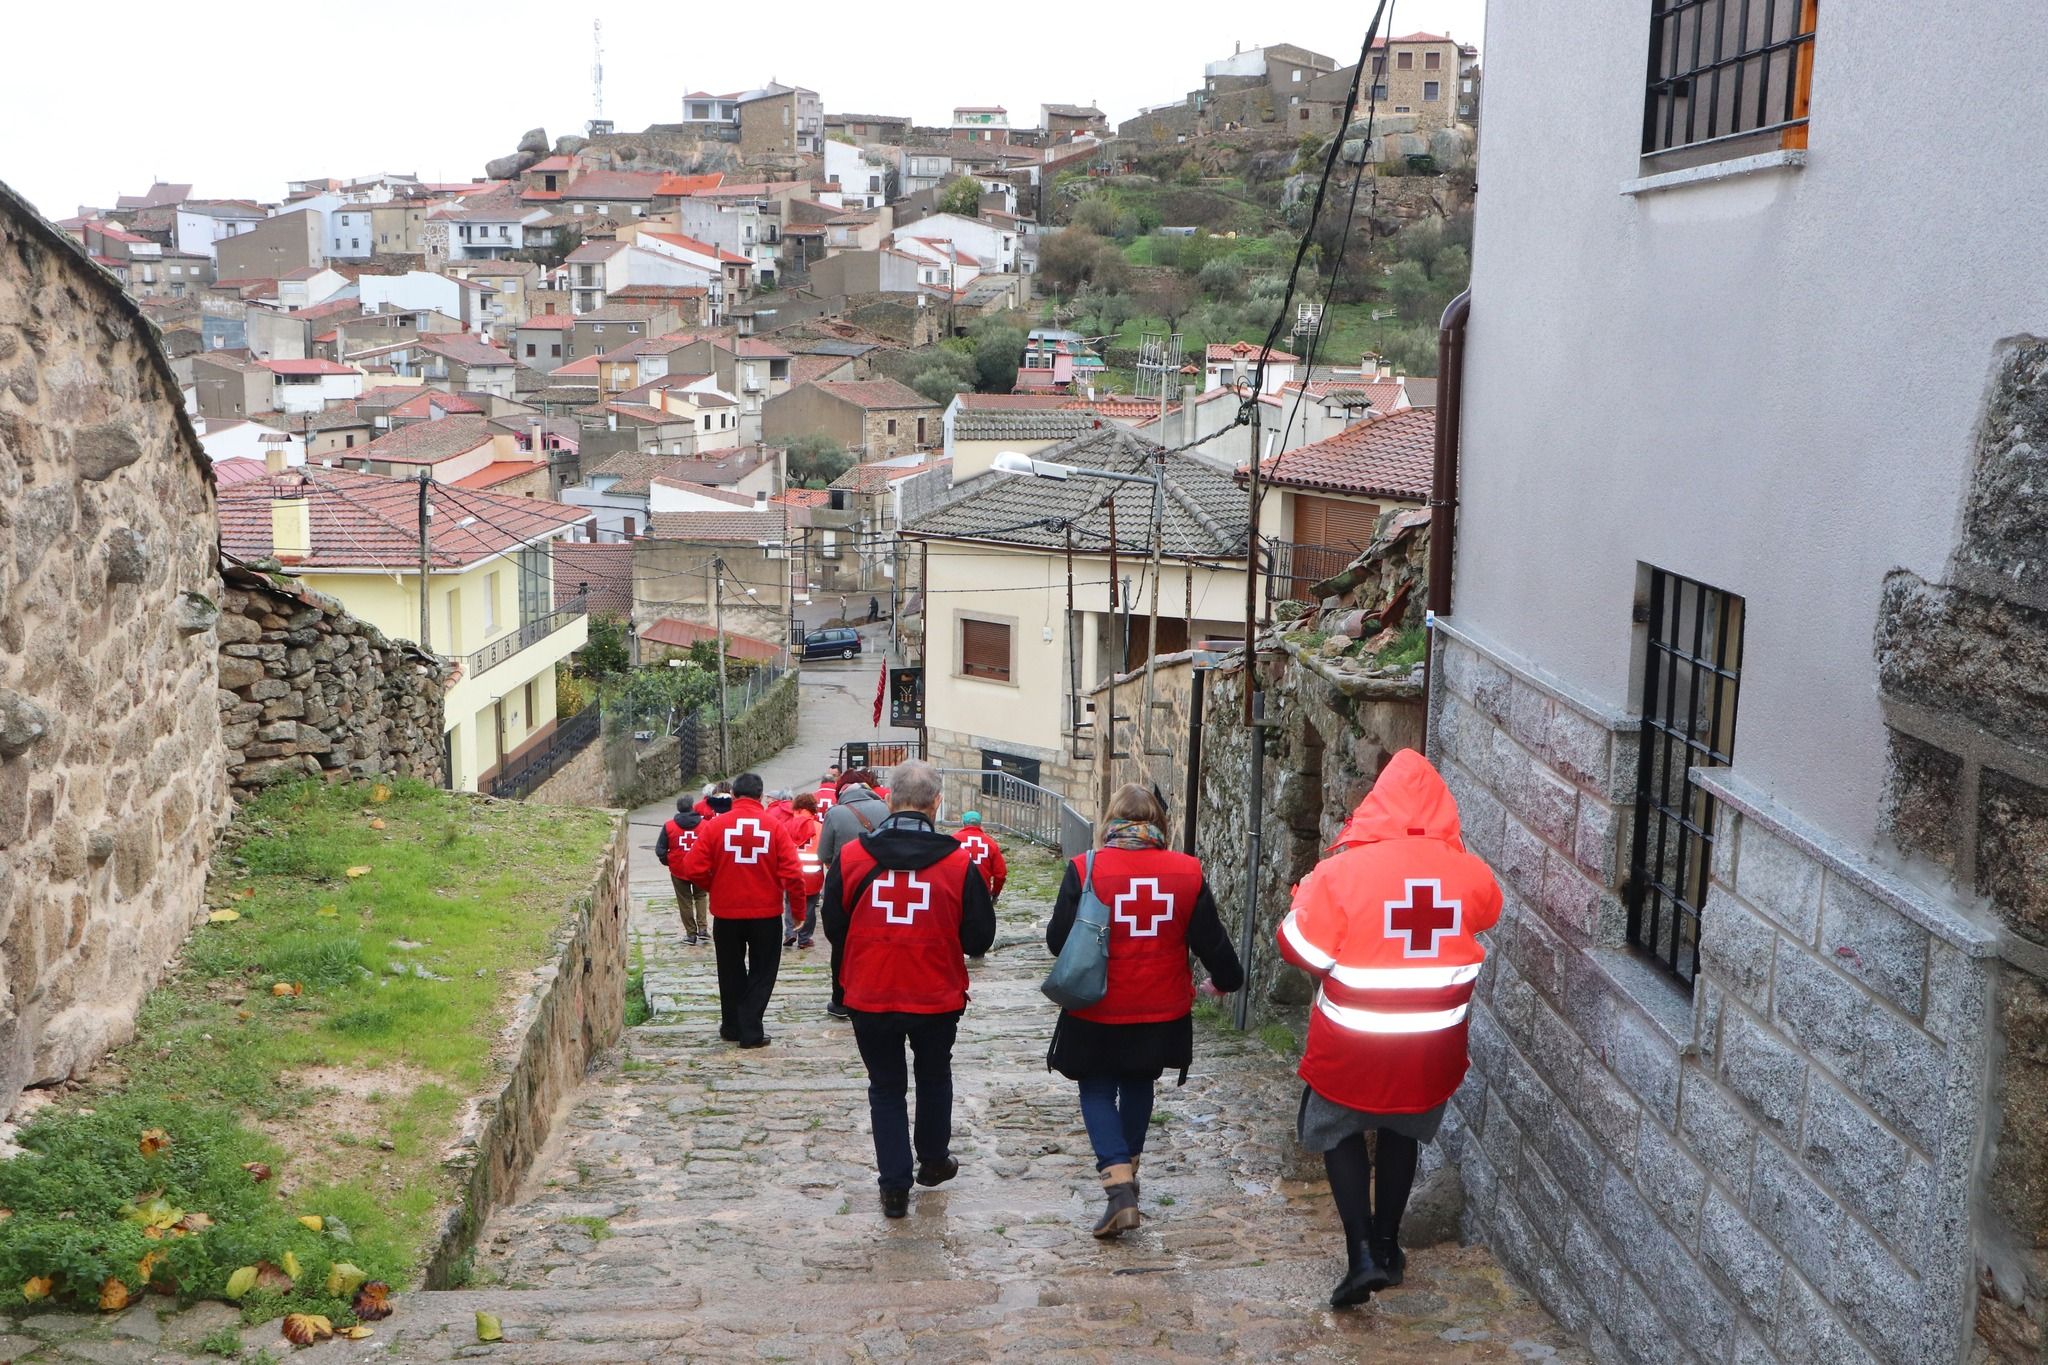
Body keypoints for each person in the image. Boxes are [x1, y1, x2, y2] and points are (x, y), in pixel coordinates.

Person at [1276, 749, 1502, 1308]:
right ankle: (1389, 1245)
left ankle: (1362, 1258)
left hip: (1353, 1041)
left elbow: (1299, 948)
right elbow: (1488, 912)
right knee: (1403, 1132)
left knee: (1337, 1130)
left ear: (1378, 806)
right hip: (1431, 1044)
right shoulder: (1469, 872)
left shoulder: (1339, 873)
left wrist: (1302, 899)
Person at [1047, 784, 1243, 1239]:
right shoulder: (1186, 872)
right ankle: (1128, 1179)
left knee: (1096, 1088)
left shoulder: (1086, 868)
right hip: (1160, 1009)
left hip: (1097, 1005)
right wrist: (1223, 982)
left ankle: (1119, 1190)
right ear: (1159, 823)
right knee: (1138, 1083)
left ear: (1110, 818)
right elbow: (1211, 942)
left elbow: (1059, 941)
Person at [823, 761, 995, 1218]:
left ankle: (894, 1186)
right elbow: (980, 939)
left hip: (869, 991)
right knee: (935, 1075)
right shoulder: (959, 863)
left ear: (888, 800)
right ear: (937, 804)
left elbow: (834, 927)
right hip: (936, 993)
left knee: (885, 1087)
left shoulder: (853, 858)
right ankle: (934, 1160)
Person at [680, 772, 806, 1048]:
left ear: (734, 795)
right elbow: (794, 875)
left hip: (726, 914)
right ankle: (751, 1029)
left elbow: (692, 868)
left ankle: (732, 1026)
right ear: (760, 797)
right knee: (763, 971)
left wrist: (714, 886)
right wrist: (798, 911)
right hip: (766, 914)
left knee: (729, 970)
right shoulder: (773, 827)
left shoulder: (715, 827)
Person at [818, 769, 890, 1019]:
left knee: (842, 943)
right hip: (881, 885)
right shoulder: (884, 809)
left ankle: (840, 999)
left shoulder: (835, 813)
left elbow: (824, 854)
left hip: (845, 884)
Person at [655, 797, 709, 946]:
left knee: (684, 901)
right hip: (700, 867)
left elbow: (660, 850)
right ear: (692, 807)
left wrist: (668, 861)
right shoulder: (705, 825)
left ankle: (691, 934)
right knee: (701, 896)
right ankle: (703, 928)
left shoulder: (669, 826)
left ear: (678, 808)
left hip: (679, 868)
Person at [784, 792, 825, 949]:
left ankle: (790, 932)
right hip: (812, 872)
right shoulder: (819, 827)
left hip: (792, 871)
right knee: (809, 907)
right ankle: (804, 938)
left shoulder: (787, 826)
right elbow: (824, 850)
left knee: (789, 903)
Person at [951, 812, 1007, 903]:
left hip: (958, 892)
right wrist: (995, 893)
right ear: (980, 824)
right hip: (982, 893)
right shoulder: (990, 843)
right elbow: (1000, 874)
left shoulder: (952, 841)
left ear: (963, 824)